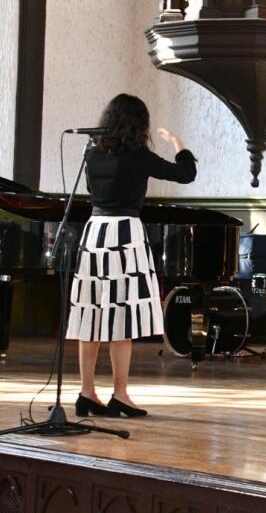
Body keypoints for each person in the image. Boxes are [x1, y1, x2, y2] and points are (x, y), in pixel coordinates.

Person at [67, 93, 196, 418]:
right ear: (139, 124)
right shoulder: (140, 156)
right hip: (125, 234)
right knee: (120, 316)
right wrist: (180, 145)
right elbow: (185, 174)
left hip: (95, 233)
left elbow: (92, 194)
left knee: (91, 315)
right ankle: (120, 394)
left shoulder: (93, 155)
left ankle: (87, 392)